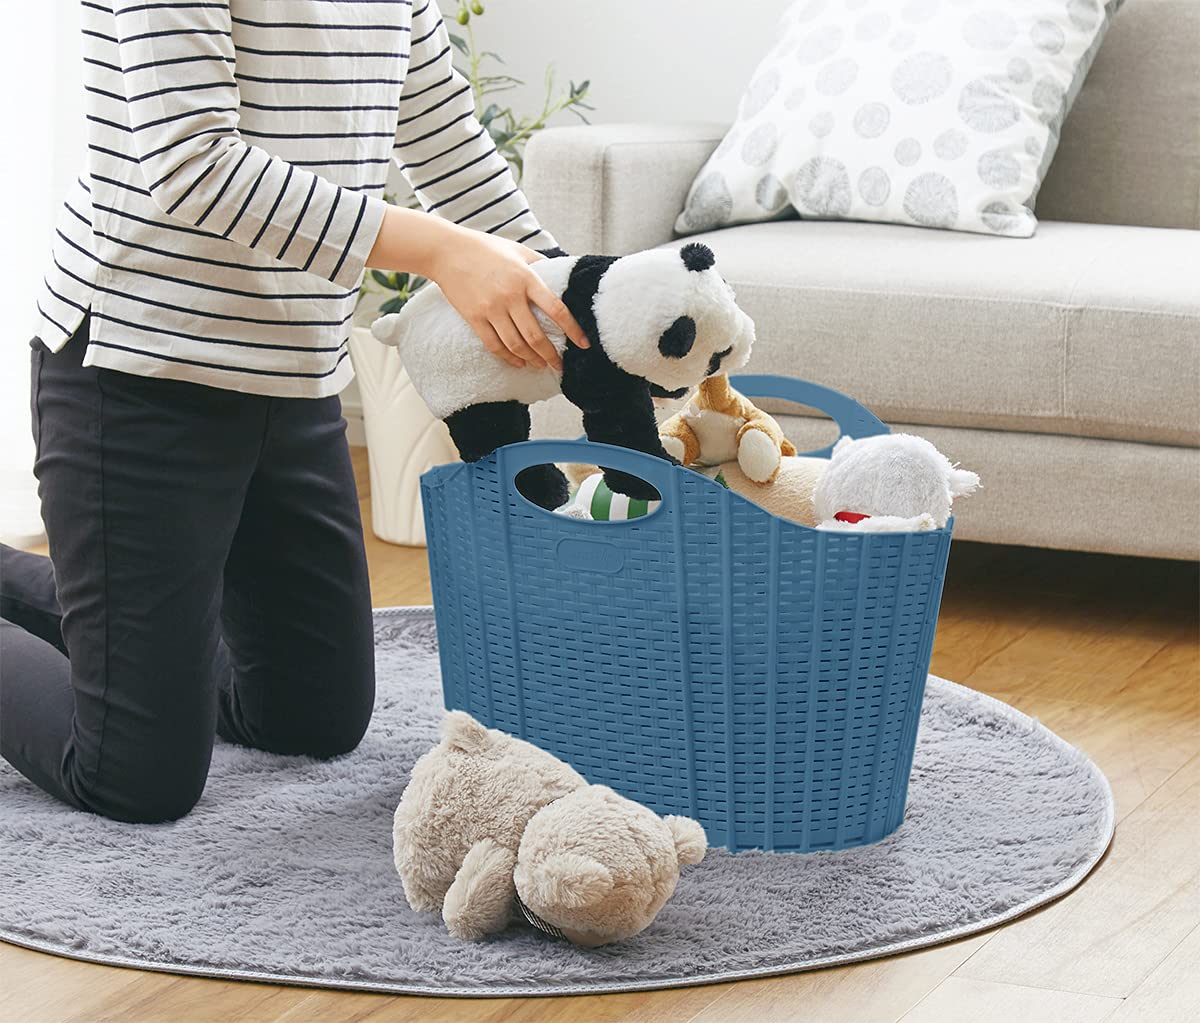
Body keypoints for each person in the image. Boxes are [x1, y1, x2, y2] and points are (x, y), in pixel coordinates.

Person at [0, 0, 586, 824]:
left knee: (309, 715)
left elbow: (440, 132)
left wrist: (578, 297)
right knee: (133, 773)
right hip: (138, 369)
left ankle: (121, 635)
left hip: (292, 374)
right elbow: (194, 164)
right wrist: (444, 252)